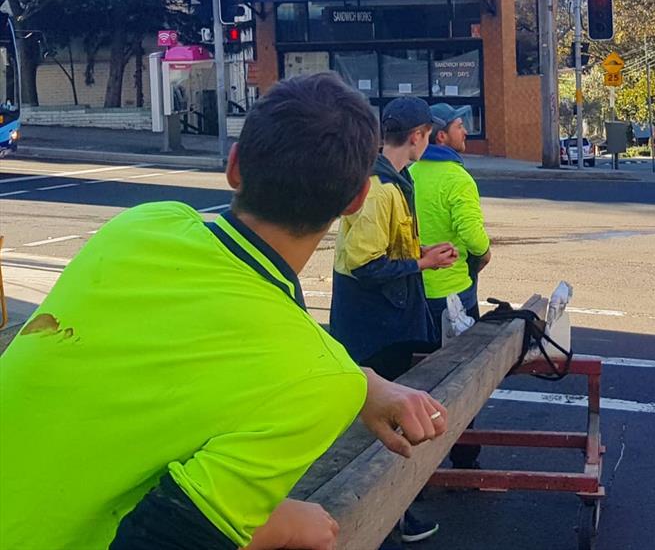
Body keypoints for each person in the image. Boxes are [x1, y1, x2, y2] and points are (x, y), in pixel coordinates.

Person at [0, 74, 448, 550]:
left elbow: (194, 342)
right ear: (357, 199)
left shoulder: (143, 225)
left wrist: (358, 381)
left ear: (234, 167)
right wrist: (278, 526)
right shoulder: (319, 378)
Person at [329, 95, 456, 544]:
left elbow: (381, 254)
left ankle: (395, 514)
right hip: (375, 329)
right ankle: (384, 517)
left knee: (384, 425)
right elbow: (363, 268)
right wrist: (420, 266)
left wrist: (423, 257)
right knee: (377, 429)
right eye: (428, 134)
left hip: (388, 322)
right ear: (419, 137)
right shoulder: (380, 188)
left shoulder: (393, 181)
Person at [412, 103, 491, 471]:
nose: (466, 133)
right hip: (454, 293)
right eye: (461, 126)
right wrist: (484, 252)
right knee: (461, 378)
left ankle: (417, 466)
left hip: (415, 292)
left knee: (418, 378)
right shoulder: (457, 179)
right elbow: (472, 235)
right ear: (441, 135)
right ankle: (464, 456)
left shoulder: (409, 173)